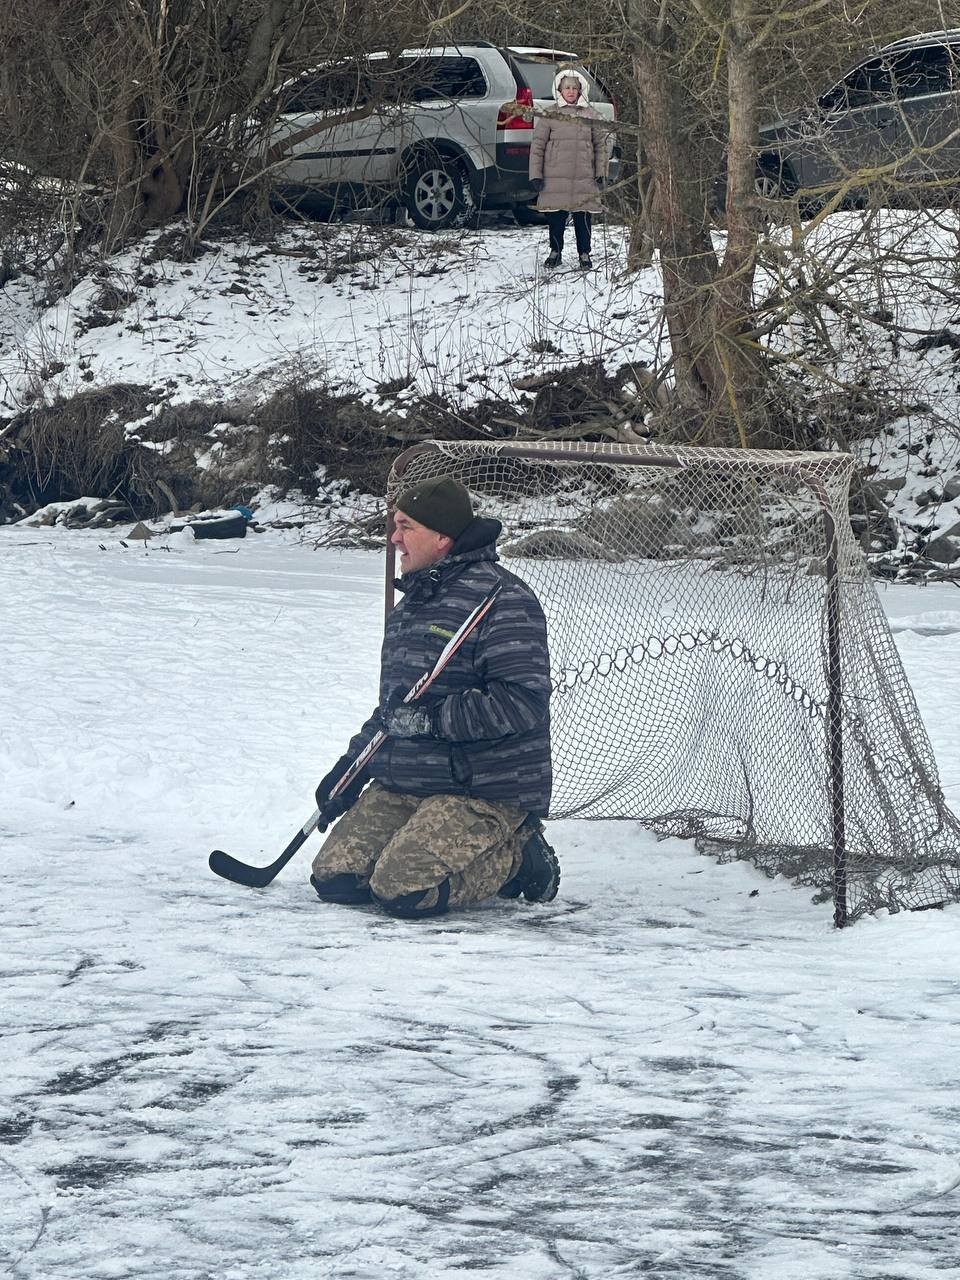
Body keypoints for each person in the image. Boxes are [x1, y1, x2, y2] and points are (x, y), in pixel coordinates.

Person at [310, 475, 558, 919]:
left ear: (443, 537)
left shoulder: (503, 599)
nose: (395, 538)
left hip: (479, 787)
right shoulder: (413, 604)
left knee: (401, 891)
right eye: (395, 525)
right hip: (409, 782)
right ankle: (417, 836)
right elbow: (394, 710)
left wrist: (430, 722)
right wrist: (350, 768)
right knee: (336, 879)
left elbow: (522, 701)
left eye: (406, 526)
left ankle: (519, 854)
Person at [529, 69, 610, 270]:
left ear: (581, 89)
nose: (571, 91)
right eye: (567, 88)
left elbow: (601, 146)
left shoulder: (591, 115)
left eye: (575, 87)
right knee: (556, 217)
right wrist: (535, 175)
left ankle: (584, 253)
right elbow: (537, 146)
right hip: (555, 178)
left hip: (584, 177)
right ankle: (555, 251)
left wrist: (601, 172)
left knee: (583, 217)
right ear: (560, 90)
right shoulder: (550, 115)